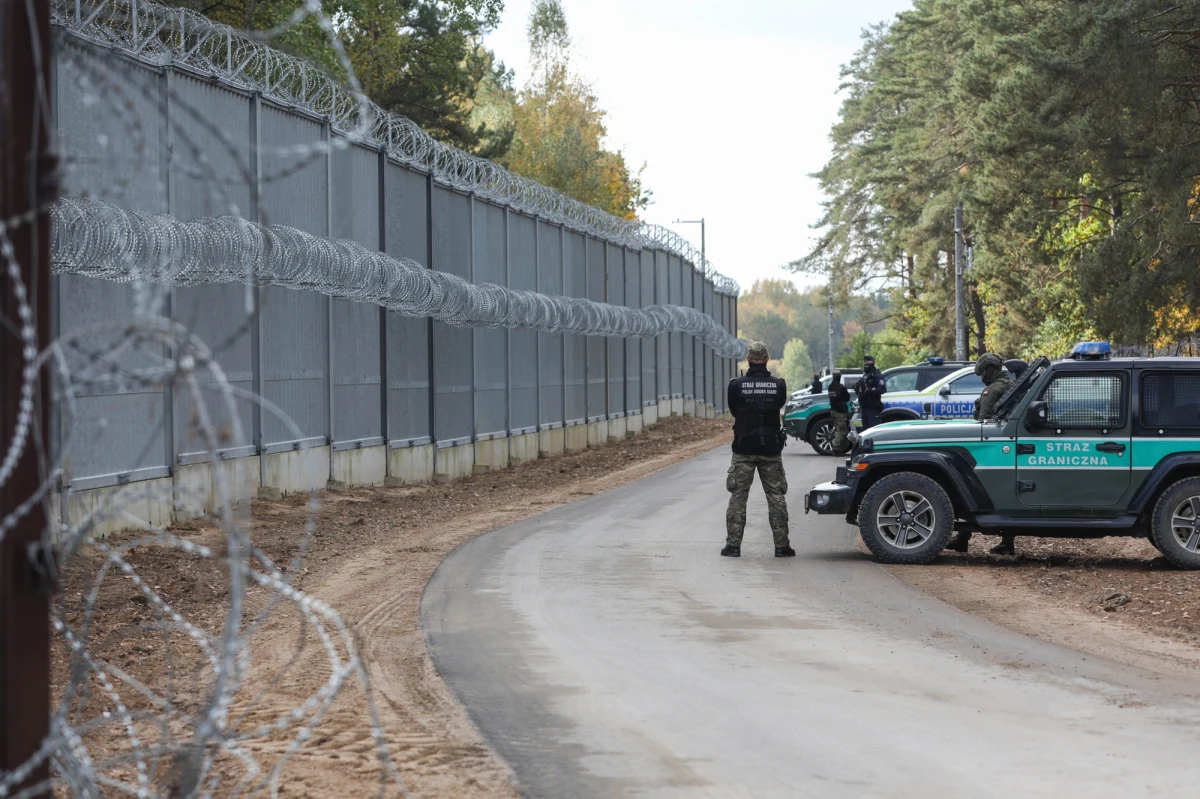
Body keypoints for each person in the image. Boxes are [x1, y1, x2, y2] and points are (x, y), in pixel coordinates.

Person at [723, 341, 794, 558]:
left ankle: (733, 546)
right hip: (770, 449)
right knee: (776, 496)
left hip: (744, 448)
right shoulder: (779, 385)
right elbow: (778, 405)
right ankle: (781, 547)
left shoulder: (736, 385)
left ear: (747, 358)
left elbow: (735, 411)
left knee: (738, 497)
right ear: (766, 358)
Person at [947, 353, 1017, 555]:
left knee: (967, 487)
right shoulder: (1011, 385)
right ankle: (1006, 543)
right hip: (1006, 446)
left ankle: (962, 538)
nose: (981, 378)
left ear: (989, 370)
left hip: (990, 447)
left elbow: (983, 423)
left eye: (982, 373)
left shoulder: (993, 390)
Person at [853, 354, 886, 430]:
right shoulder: (865, 376)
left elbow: (882, 389)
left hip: (873, 408)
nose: (866, 364)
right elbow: (860, 387)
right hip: (864, 407)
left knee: (873, 430)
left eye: (867, 363)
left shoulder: (877, 375)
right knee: (865, 431)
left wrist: (869, 390)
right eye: (865, 363)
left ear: (872, 363)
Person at [828, 371, 852, 454]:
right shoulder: (841, 387)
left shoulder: (830, 386)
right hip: (840, 412)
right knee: (842, 431)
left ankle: (839, 449)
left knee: (837, 430)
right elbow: (847, 398)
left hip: (833, 410)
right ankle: (835, 444)